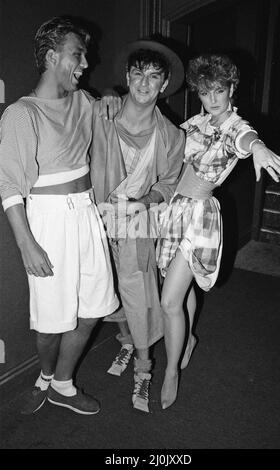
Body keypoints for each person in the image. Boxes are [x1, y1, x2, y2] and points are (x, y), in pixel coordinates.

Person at [157, 53, 280, 410]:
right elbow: (168, 143)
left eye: (218, 90)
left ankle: (171, 371)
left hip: (200, 218)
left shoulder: (235, 124)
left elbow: (246, 138)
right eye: (205, 92)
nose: (212, 98)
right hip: (173, 210)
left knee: (168, 301)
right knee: (179, 286)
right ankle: (186, 340)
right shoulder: (195, 122)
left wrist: (260, 148)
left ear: (231, 89)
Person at [0, 16, 121, 415]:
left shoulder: (83, 101)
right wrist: (26, 244)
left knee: (92, 310)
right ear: (52, 57)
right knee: (52, 322)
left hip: (86, 213)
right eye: (77, 54)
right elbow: (9, 186)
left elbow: (106, 106)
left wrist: (109, 95)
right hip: (48, 221)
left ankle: (63, 385)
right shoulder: (22, 114)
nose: (85, 62)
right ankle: (46, 376)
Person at [90, 40, 185, 412]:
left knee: (140, 295)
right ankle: (127, 341)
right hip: (97, 219)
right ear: (128, 77)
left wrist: (143, 203)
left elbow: (170, 182)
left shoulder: (172, 135)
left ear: (164, 86)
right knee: (108, 288)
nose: (144, 83)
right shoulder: (101, 113)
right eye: (138, 73)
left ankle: (144, 371)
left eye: (154, 76)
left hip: (138, 224)